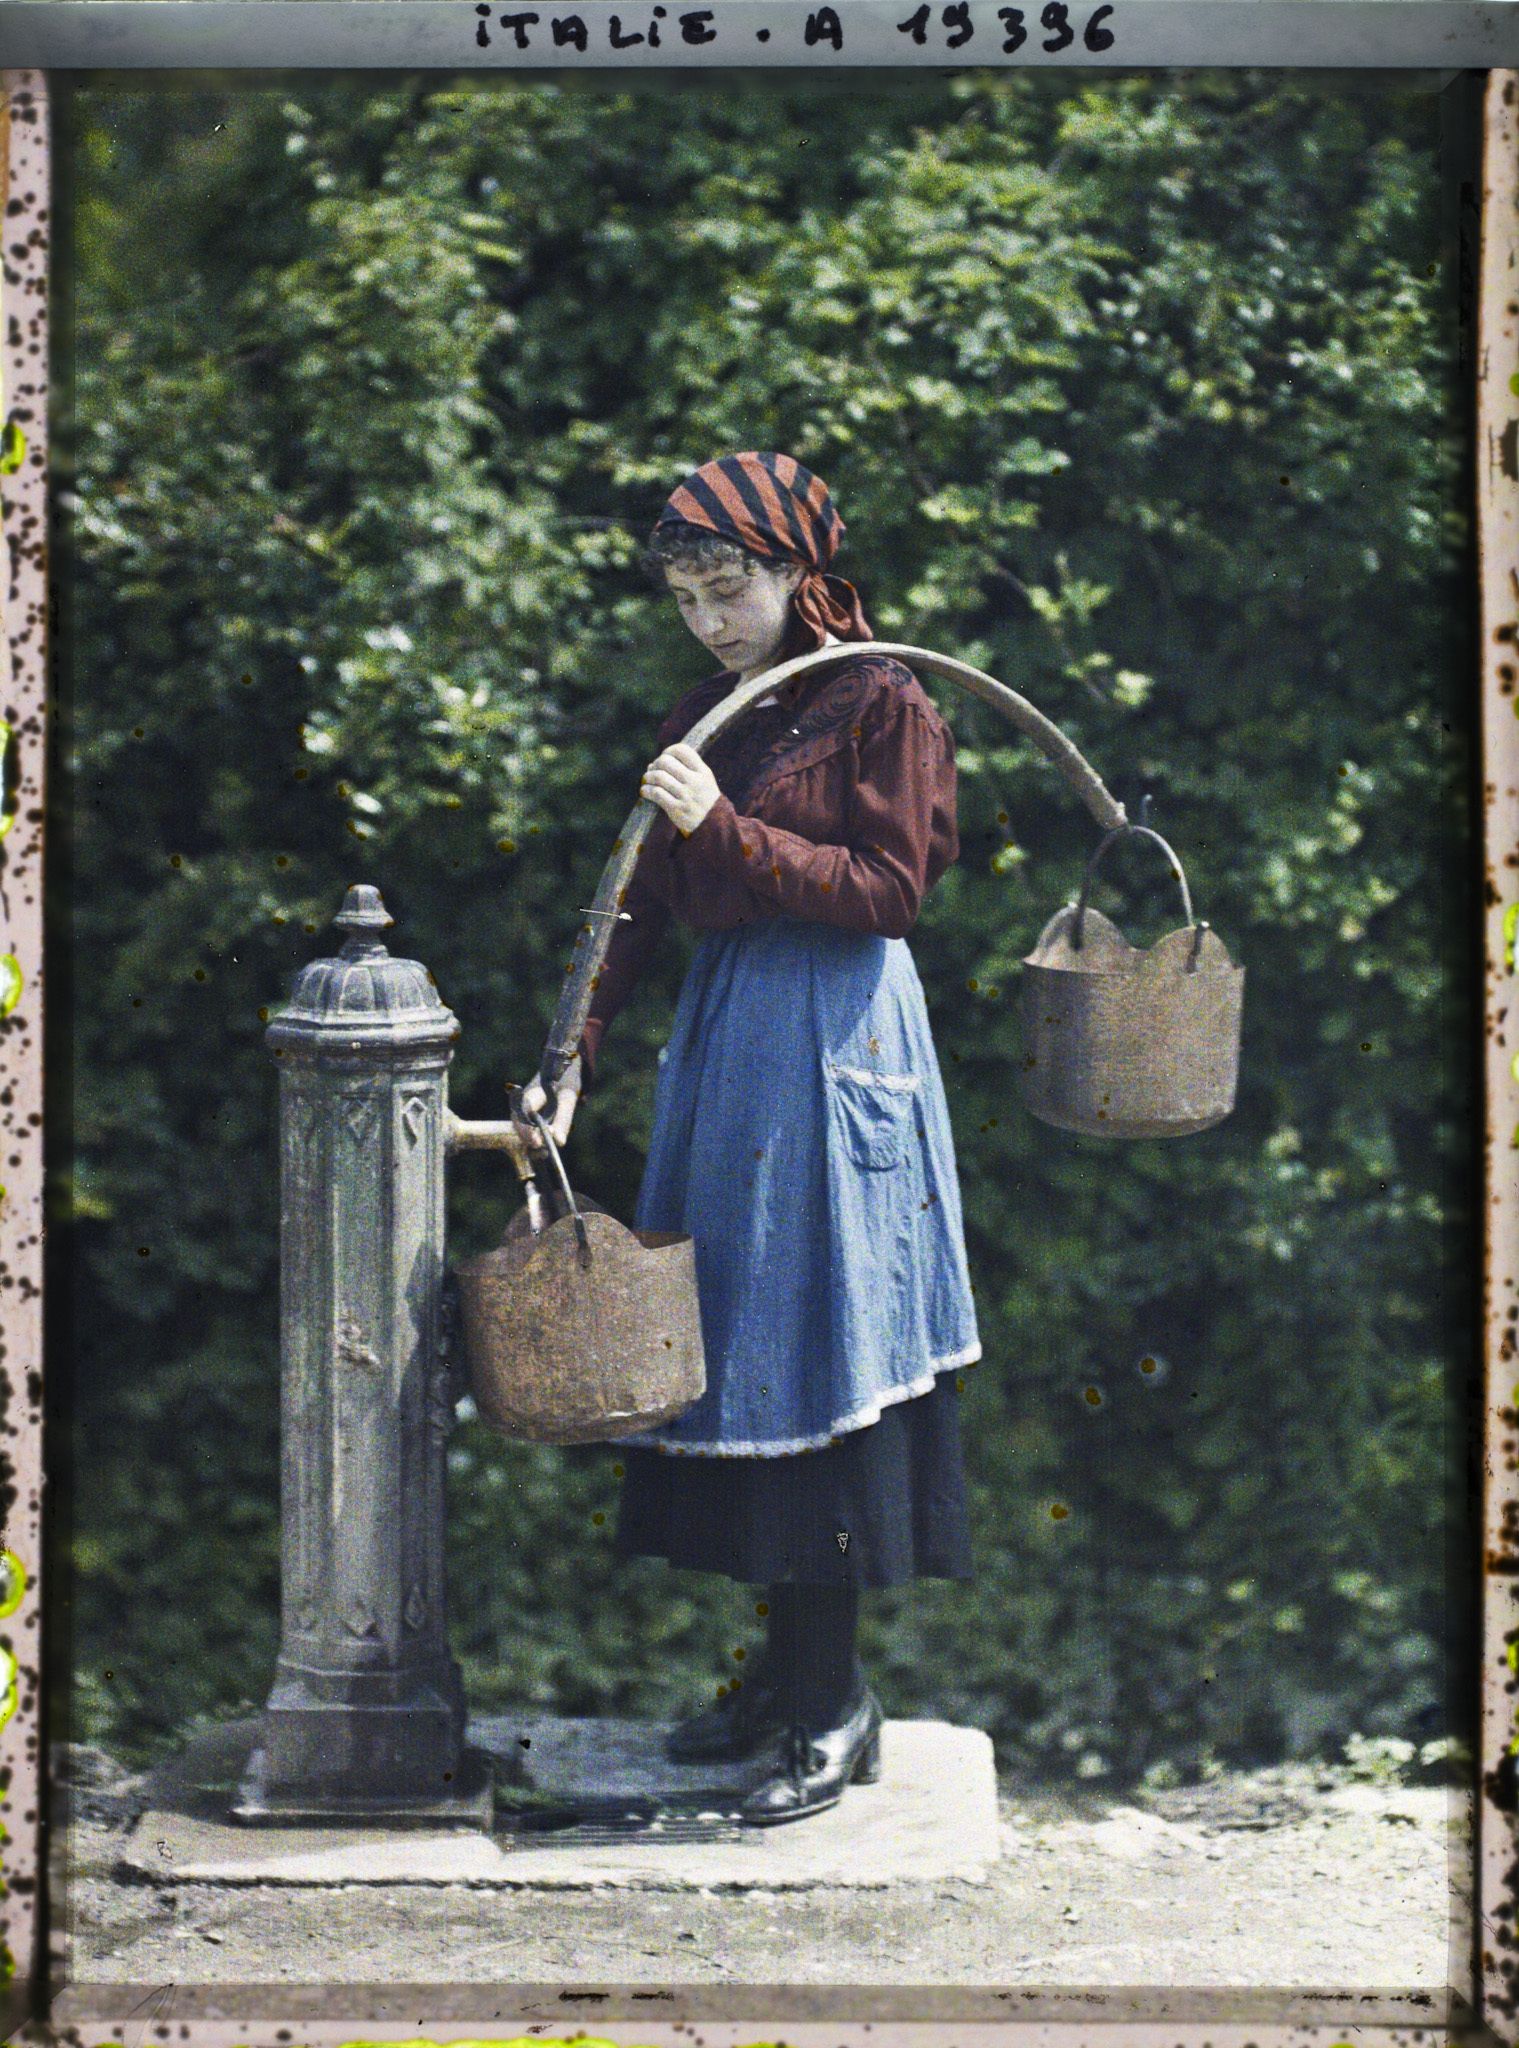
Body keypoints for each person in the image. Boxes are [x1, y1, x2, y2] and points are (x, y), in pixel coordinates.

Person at [517, 451, 980, 1826]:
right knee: (749, 1351)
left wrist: (727, 827)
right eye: (688, 597)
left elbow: (892, 890)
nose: (713, 620)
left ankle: (835, 1704)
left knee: (826, 1339)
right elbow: (637, 905)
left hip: (839, 1042)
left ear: (798, 575)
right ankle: (780, 1690)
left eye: (732, 588)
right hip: (731, 1046)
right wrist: (569, 1063)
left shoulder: (879, 702)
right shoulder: (710, 712)